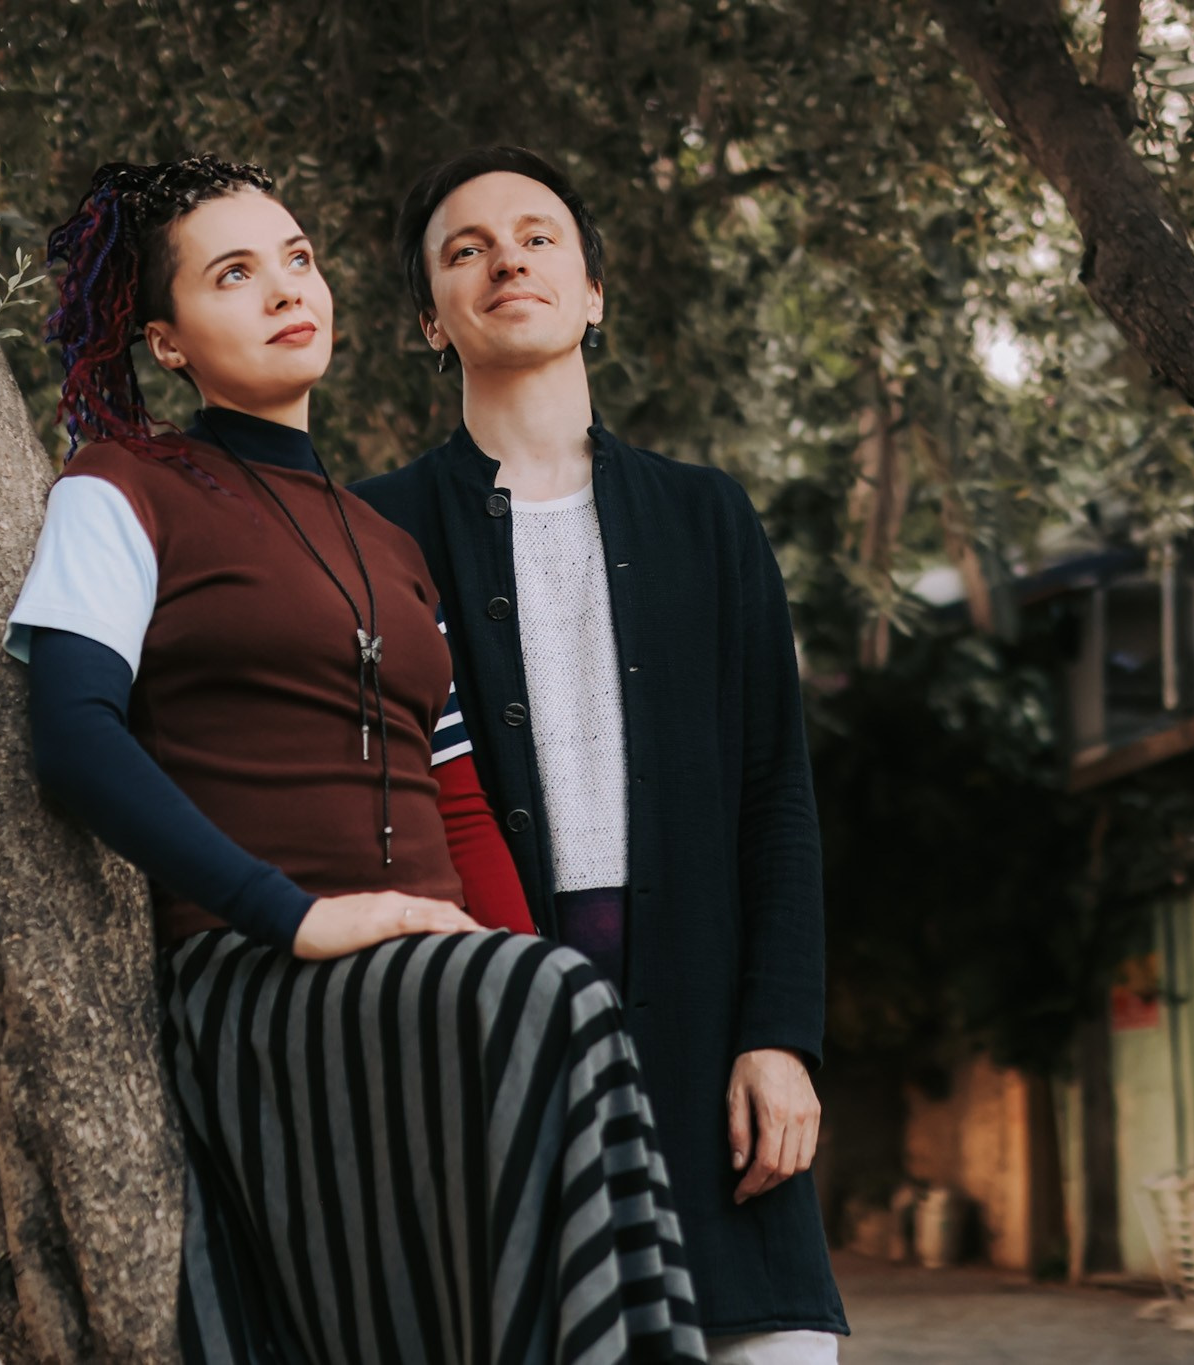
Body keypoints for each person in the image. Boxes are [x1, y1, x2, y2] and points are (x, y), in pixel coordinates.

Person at [3, 155, 706, 1365]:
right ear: (167, 341)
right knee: (554, 1002)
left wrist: (512, 958)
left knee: (557, 1005)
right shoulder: (118, 490)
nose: (286, 289)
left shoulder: (385, 539)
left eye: (299, 260)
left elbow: (459, 798)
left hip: (435, 985)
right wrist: (289, 916)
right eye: (234, 275)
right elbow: (70, 736)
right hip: (264, 979)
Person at [353, 147, 847, 1365]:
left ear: (592, 292)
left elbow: (774, 798)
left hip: (703, 1041)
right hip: (491, 1049)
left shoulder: (706, 517)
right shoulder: (373, 532)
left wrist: (779, 1037)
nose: (505, 258)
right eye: (464, 248)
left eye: (537, 236)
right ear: (431, 319)